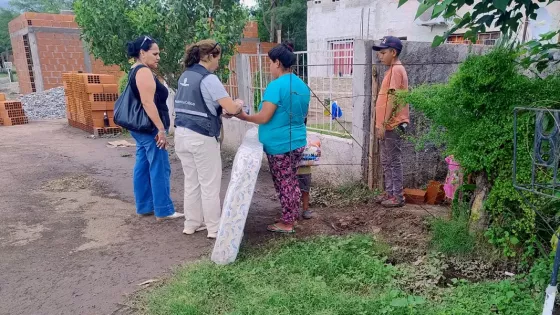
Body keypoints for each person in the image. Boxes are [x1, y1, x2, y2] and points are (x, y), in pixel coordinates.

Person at [237, 41, 310, 233]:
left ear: (277, 62)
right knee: (291, 179)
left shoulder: (276, 86)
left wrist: (243, 116)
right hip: (297, 140)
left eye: (270, 63)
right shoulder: (302, 85)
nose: (269, 67)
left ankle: (287, 222)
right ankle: (291, 215)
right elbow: (302, 114)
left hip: (279, 144)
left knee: (284, 182)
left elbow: (264, 117)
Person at [173, 39, 244, 239]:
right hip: (202, 137)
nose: (218, 64)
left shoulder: (185, 76)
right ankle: (214, 229)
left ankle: (191, 224)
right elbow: (231, 108)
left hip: (181, 135)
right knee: (209, 185)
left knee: (191, 182)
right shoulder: (209, 78)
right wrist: (238, 103)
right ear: (209, 56)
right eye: (218, 59)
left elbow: (197, 104)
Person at [126, 36, 183, 220]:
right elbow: (147, 102)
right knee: (160, 166)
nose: (158, 57)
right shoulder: (143, 72)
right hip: (150, 127)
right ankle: (164, 209)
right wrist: (160, 129)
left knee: (142, 165)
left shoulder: (135, 69)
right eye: (155, 53)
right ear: (142, 53)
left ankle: (144, 206)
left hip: (140, 127)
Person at [372, 36, 410, 208]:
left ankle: (397, 196)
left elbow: (393, 99)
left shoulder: (396, 70)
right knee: (387, 160)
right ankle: (390, 192)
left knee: (393, 160)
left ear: (393, 52)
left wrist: (384, 122)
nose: (380, 56)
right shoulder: (392, 70)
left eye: (383, 52)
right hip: (388, 124)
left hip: (392, 124)